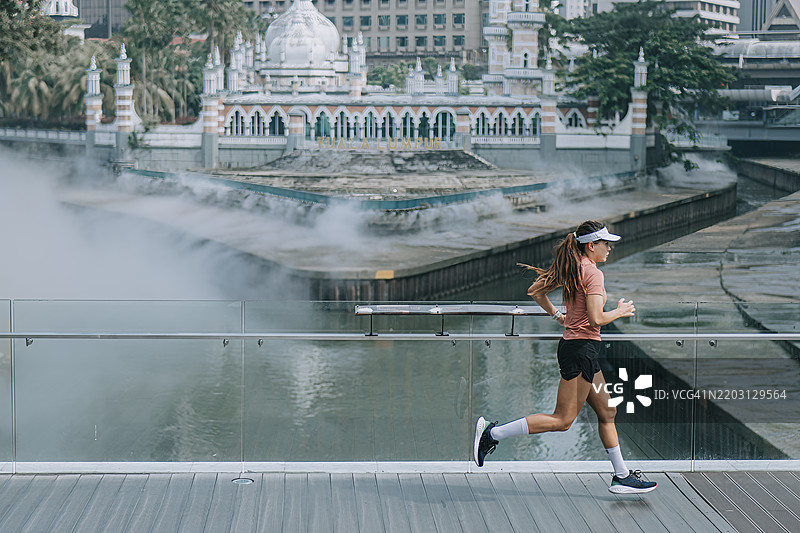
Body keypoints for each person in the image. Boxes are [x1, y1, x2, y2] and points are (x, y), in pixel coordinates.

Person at [473, 220, 657, 494]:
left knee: (607, 411)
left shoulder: (573, 269)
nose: (609, 249)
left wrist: (559, 316)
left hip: (582, 350)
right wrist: (620, 311)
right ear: (591, 245)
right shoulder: (592, 273)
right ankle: (492, 434)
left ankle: (622, 476)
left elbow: (535, 291)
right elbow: (596, 318)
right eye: (606, 244)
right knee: (562, 420)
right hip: (580, 351)